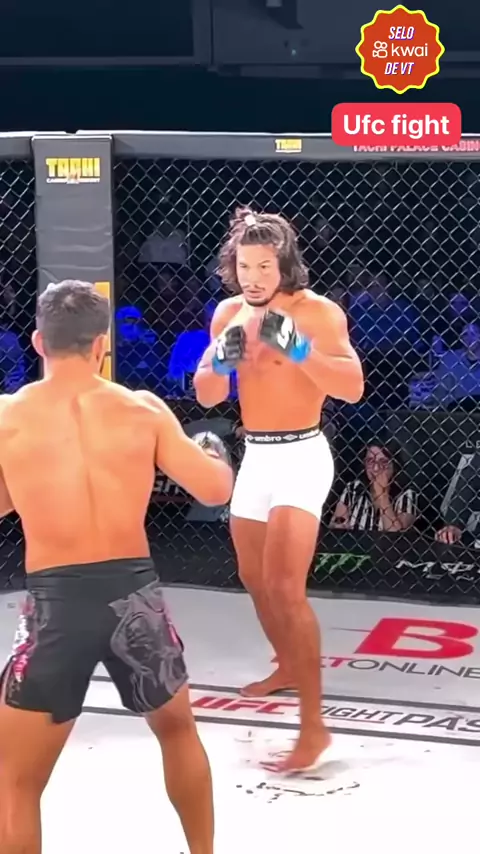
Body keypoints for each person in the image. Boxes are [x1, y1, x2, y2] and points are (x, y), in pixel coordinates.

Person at [0, 280, 234, 854]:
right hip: (133, 597)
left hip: (56, 604)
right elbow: (214, 489)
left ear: (38, 342)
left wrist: (28, 482)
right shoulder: (142, 409)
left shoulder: (7, 417)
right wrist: (214, 451)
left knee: (15, 780)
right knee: (177, 731)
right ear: (102, 344)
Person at [193, 207, 364, 772]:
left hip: (302, 455)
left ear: (283, 263)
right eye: (245, 266)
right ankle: (289, 664)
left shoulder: (317, 312)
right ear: (233, 266)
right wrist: (221, 359)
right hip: (258, 456)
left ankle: (314, 730)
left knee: (287, 588)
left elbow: (353, 388)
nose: (253, 277)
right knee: (254, 577)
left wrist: (299, 350)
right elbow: (207, 395)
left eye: (264, 266)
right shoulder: (228, 314)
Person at [330, 443, 417, 532]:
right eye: (370, 461)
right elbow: (337, 524)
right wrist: (338, 523)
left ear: (394, 466)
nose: (376, 468)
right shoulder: (353, 489)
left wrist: (383, 495)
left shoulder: (406, 495)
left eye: (383, 462)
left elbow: (396, 535)